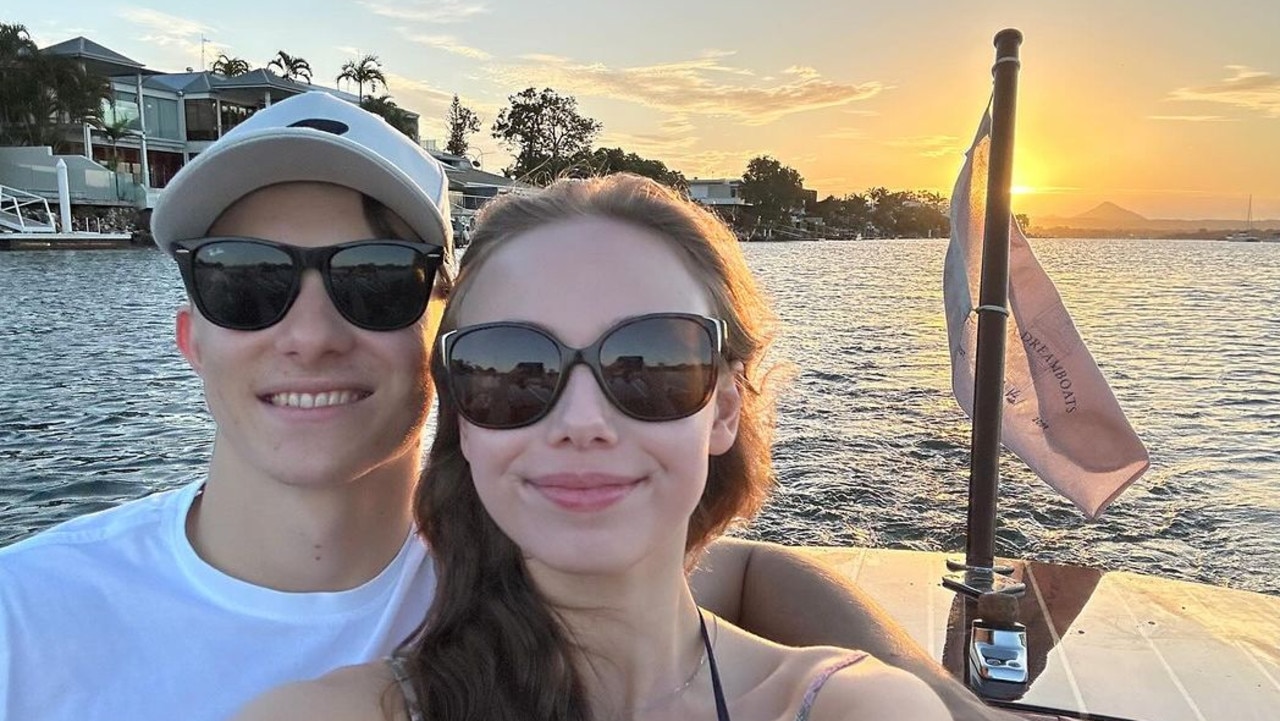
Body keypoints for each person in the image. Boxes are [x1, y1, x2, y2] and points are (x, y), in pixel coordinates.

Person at [0, 92, 1003, 721]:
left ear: (433, 344)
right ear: (191, 334)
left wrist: (944, 703)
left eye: (377, 279)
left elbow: (724, 572)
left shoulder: (537, 541)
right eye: (246, 282)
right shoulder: (22, 617)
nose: (306, 331)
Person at [233, 174, 950, 721]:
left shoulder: (855, 708)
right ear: (462, 419)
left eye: (654, 361)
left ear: (725, 407)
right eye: (512, 368)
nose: (582, 420)